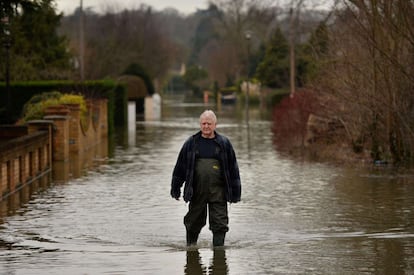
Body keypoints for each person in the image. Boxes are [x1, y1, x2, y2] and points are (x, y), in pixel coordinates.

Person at [170, 110, 241, 247]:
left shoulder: (224, 144)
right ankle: (191, 247)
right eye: (203, 123)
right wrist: (175, 188)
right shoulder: (191, 143)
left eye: (209, 123)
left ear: (215, 125)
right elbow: (180, 167)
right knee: (193, 222)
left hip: (219, 192)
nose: (206, 126)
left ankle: (219, 252)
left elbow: (233, 170)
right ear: (200, 124)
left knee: (220, 224)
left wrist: (235, 194)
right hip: (196, 191)